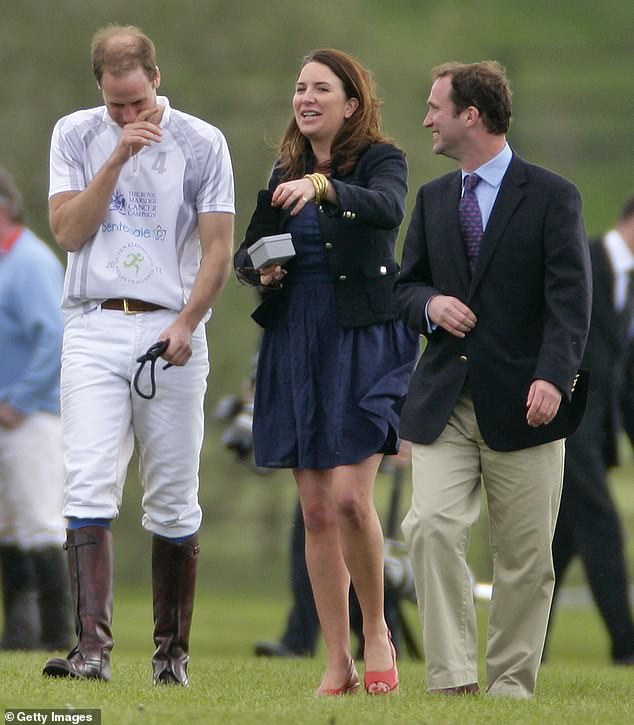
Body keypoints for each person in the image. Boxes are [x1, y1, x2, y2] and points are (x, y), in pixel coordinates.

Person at [41, 25, 235, 685]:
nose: (128, 114)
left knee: (175, 497)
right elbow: (68, 230)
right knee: (88, 479)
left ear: (155, 77)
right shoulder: (75, 134)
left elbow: (217, 249)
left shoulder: (203, 141)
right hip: (95, 322)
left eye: (136, 101)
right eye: (115, 104)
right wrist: (117, 156)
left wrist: (187, 320)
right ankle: (91, 650)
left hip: (169, 328)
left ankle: (170, 658)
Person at [396, 61, 592, 698]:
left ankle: (511, 682)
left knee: (525, 558)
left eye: (435, 108)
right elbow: (404, 290)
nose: (426, 119)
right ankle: (451, 678)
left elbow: (571, 301)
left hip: (529, 404)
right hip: (444, 402)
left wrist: (553, 378)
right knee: (428, 526)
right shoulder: (430, 200)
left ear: (469, 116)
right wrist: (430, 305)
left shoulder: (553, 196)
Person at [234, 48, 418, 696]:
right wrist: (263, 269)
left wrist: (325, 188)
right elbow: (246, 254)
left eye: (320, 88)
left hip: (363, 339)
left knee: (348, 498)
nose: (305, 98)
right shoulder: (283, 167)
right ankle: (336, 657)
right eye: (299, 88)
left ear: (351, 102)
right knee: (314, 511)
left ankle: (377, 631)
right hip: (295, 342)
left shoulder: (380, 160)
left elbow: (389, 208)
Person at [548, 193, 634, 665]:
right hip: (564, 425)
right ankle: (626, 647)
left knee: (559, 544)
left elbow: (625, 378)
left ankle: (529, 647)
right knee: (602, 526)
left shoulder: (631, 285)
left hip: (596, 437)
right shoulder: (584, 260)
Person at [0, 166, 73, 652]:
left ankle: (58, 637)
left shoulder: (29, 261)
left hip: (32, 417)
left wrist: (19, 401)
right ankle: (19, 636)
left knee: (42, 523)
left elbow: (55, 334)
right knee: (9, 525)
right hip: (10, 417)